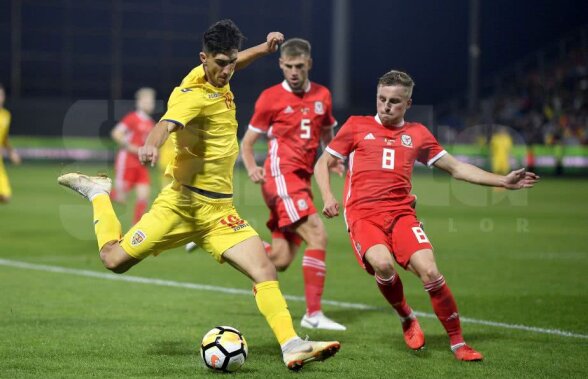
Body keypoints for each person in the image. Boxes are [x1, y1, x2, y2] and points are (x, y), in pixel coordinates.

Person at [57, 19, 339, 371]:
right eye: (221, 63)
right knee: (113, 261)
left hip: (219, 212)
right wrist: (149, 144)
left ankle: (292, 345)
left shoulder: (219, 73)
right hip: (180, 206)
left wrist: (264, 51)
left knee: (265, 269)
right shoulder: (193, 96)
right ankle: (98, 193)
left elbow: (236, 62)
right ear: (203, 59)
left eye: (232, 62)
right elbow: (167, 123)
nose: (228, 70)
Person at [314, 70, 539, 361]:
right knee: (383, 264)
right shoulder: (357, 126)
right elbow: (324, 162)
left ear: (408, 103)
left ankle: (459, 344)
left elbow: (457, 168)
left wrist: (502, 181)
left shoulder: (417, 134)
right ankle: (406, 315)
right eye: (381, 99)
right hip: (362, 214)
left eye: (394, 101)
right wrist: (328, 196)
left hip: (401, 213)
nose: (386, 106)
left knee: (430, 271)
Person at [240, 38, 345, 331]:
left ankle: (226, 242)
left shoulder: (323, 95)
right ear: (281, 65)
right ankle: (313, 314)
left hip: (301, 179)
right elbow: (247, 144)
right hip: (280, 177)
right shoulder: (270, 98)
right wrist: (251, 168)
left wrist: (333, 159)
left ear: (309, 64)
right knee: (317, 235)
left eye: (300, 66)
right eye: (289, 67)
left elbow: (327, 135)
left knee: (280, 259)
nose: (295, 72)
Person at [110, 87, 156, 223]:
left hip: (142, 165)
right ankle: (98, 195)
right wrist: (131, 147)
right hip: (127, 161)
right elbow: (116, 133)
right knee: (120, 197)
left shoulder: (151, 123)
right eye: (147, 101)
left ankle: (135, 230)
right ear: (139, 102)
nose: (150, 104)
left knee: (144, 196)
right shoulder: (132, 118)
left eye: (151, 102)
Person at [0, 84, 21, 204]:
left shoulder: (6, 116)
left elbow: (4, 139)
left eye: (1, 95)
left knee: (5, 197)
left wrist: (11, 153)